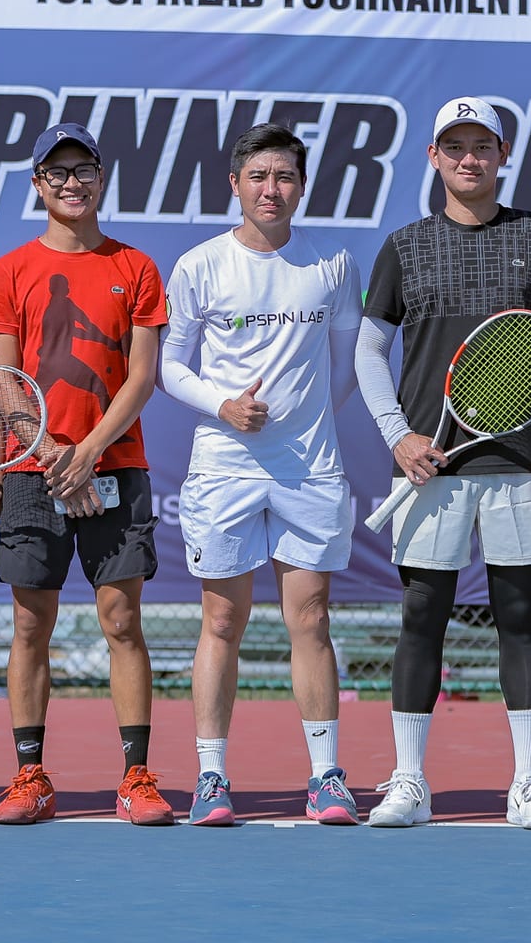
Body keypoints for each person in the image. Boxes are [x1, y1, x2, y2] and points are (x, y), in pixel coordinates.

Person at [356, 96, 531, 830]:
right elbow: (368, 351)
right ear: (433, 158)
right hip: (428, 465)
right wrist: (397, 434)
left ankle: (529, 784)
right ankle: (409, 782)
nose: (468, 158)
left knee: (520, 616)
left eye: (481, 146)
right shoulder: (403, 246)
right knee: (422, 615)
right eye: (454, 147)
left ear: (501, 154)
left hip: (521, 462)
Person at [158, 122, 364, 827]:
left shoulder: (332, 261)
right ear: (235, 185)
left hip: (309, 470)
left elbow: (345, 367)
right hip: (223, 468)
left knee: (310, 619)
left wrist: (304, 425)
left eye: (284, 177)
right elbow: (169, 366)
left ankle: (326, 776)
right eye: (258, 176)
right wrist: (223, 405)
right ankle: (211, 776)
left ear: (300, 186)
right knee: (222, 619)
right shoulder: (200, 265)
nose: (271, 189)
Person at [0, 124, 174, 826]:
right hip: (36, 473)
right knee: (32, 625)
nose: (70, 183)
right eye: (55, 173)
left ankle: (136, 778)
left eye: (82, 170)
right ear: (37, 184)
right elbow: (3, 381)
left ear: (101, 177)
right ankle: (29, 775)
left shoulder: (138, 268)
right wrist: (55, 452)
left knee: (122, 622)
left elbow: (142, 376)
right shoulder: (9, 270)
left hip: (116, 468)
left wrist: (88, 450)